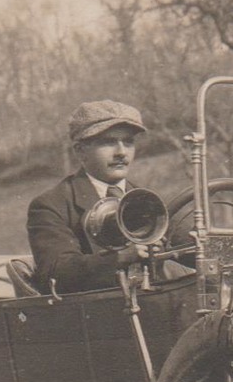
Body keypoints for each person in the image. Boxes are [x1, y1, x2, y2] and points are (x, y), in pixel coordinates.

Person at [27, 99, 158, 294]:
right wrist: (121, 258)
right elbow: (56, 272)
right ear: (81, 151)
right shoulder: (51, 205)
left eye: (128, 142)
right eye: (108, 142)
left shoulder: (148, 201)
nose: (121, 152)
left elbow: (189, 240)